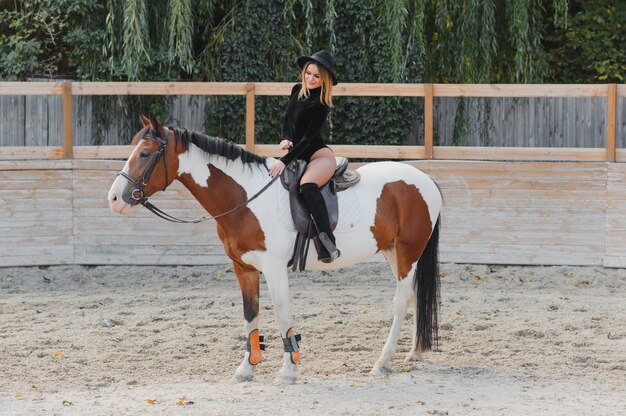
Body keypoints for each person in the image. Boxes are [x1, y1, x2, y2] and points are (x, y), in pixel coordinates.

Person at [268, 50, 340, 263]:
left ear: (324, 79)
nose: (310, 78)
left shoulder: (322, 104)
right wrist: (286, 138)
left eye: (316, 76)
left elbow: (308, 139)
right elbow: (286, 120)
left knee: (307, 186)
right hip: (296, 153)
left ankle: (328, 242)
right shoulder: (297, 90)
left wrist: (284, 161)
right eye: (308, 73)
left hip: (319, 156)